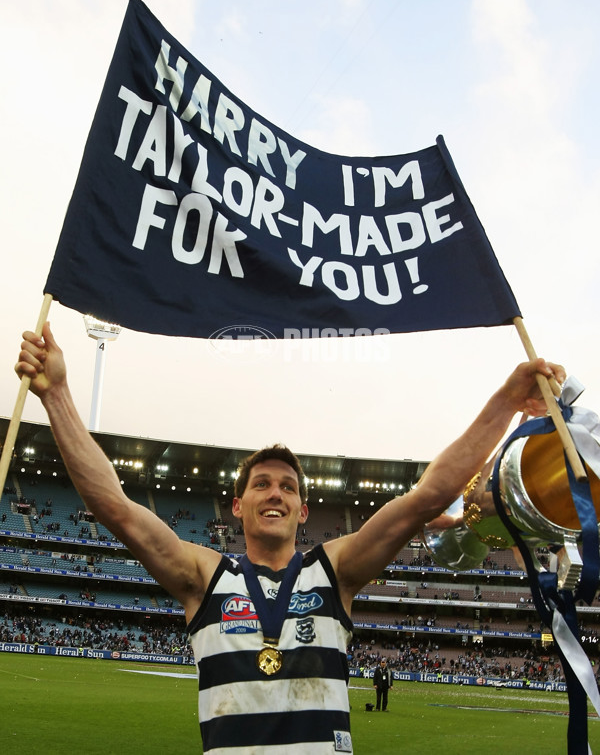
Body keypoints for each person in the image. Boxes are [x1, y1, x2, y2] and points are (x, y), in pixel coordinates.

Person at [15, 322, 564, 754]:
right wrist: (58, 393)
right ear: (238, 506)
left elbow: (425, 498)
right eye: (261, 485)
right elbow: (115, 508)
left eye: (287, 486)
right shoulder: (204, 577)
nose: (274, 493)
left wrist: (507, 400)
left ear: (304, 511)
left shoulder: (334, 569)